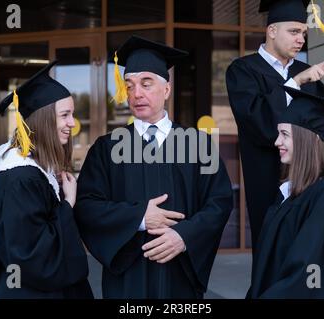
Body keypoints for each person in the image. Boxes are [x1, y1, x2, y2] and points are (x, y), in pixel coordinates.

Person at [75, 35, 233, 298]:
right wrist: (138, 218)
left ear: (167, 90)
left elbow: (219, 202)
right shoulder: (106, 148)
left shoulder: (197, 144)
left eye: (146, 84)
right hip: (128, 278)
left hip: (179, 275)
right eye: (130, 85)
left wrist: (185, 237)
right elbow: (87, 205)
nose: (136, 93)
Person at [226, 0, 324, 251]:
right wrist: (296, 83)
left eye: (303, 33)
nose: (301, 39)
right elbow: (258, 123)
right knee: (271, 251)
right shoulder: (243, 70)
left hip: (305, 181)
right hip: (264, 178)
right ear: (272, 31)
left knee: (305, 250)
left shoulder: (307, 71)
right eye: (294, 32)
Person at [0, 61, 93, 299]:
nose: (72, 123)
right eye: (64, 115)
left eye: (72, 114)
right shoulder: (22, 179)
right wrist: (68, 204)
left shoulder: (39, 171)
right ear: (42, 121)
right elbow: (32, 256)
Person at [249, 86, 324, 298]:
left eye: (284, 134)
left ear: (308, 138)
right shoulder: (288, 193)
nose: (277, 141)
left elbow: (309, 273)